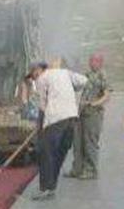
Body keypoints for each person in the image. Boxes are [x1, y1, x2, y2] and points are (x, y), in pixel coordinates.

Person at [28, 60, 87, 200]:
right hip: (71, 118)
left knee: (46, 154)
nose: (33, 77)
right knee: (59, 154)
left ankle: (45, 189)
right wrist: (68, 90)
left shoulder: (41, 79)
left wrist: (39, 128)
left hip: (55, 120)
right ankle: (51, 187)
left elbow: (42, 106)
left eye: (32, 74)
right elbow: (84, 81)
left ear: (38, 70)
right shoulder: (64, 73)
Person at [66, 53, 111, 179]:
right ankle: (77, 168)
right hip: (81, 112)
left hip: (93, 113)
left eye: (95, 61)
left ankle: (91, 170)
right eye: (91, 60)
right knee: (77, 141)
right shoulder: (87, 75)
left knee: (90, 142)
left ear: (100, 62)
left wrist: (94, 103)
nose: (92, 63)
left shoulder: (102, 76)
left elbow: (107, 95)